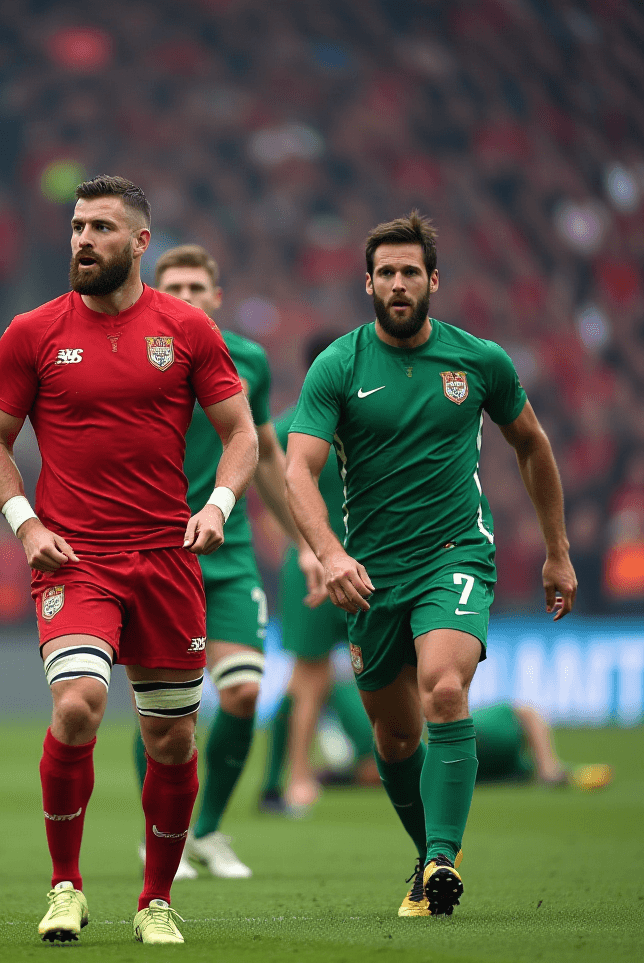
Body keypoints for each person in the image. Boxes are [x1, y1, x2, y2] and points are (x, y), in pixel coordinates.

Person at [0, 176, 257, 945]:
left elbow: (242, 434)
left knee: (171, 739)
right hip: (76, 558)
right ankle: (65, 887)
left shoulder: (188, 328)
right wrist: (26, 523)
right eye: (76, 226)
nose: (82, 239)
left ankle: (155, 899)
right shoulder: (32, 331)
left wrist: (219, 507)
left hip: (167, 558)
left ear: (139, 243)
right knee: (76, 708)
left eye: (101, 227)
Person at [285, 212, 577, 917]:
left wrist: (557, 552)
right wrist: (331, 554)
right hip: (370, 577)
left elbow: (532, 445)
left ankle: (445, 855)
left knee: (445, 690)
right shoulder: (340, 365)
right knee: (394, 736)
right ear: (368, 283)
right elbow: (299, 468)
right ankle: (427, 858)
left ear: (433, 280)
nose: (398, 283)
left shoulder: (479, 361)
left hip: (456, 555)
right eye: (385, 272)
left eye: (410, 271)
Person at [128, 244, 302, 880]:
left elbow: (268, 456)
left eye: (199, 286)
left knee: (244, 692)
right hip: (156, 552)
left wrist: (309, 545)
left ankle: (207, 830)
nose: (188, 296)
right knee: (167, 708)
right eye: (175, 285)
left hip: (228, 556)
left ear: (217, 296)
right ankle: (160, 836)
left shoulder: (248, 359)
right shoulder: (135, 353)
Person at [257, 333, 348, 817]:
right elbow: (272, 495)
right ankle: (295, 776)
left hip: (372, 564)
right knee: (309, 676)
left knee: (390, 672)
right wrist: (298, 549)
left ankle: (280, 778)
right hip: (313, 569)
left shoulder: (367, 422)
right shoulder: (292, 427)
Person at [314, 683, 612, 792]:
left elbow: (526, 714)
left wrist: (340, 777)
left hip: (439, 746)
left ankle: (550, 770)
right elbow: (527, 714)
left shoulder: (496, 736)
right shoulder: (510, 762)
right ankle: (551, 770)